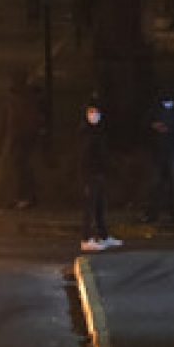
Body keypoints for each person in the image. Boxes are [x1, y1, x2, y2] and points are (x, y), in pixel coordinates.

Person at [0, 69, 43, 208]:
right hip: (24, 135)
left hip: (20, 136)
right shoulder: (27, 98)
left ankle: (24, 196)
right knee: (20, 165)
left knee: (19, 165)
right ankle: (26, 195)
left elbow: (12, 120)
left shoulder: (18, 99)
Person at [78, 96, 122, 252]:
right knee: (89, 207)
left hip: (100, 173)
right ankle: (86, 239)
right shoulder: (85, 132)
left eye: (96, 111)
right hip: (90, 174)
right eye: (91, 111)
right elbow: (85, 156)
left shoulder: (99, 131)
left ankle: (103, 236)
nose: (94, 115)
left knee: (100, 207)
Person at [144, 87, 174, 223]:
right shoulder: (156, 108)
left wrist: (170, 130)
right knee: (156, 183)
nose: (166, 104)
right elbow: (146, 123)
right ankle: (153, 214)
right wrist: (153, 126)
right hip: (159, 151)